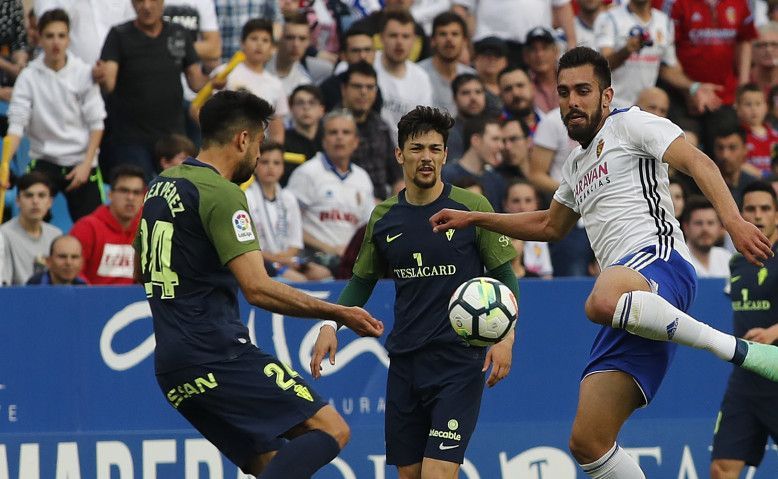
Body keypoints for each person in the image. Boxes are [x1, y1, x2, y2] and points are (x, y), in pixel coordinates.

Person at [430, 47, 778, 479]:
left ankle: (735, 349)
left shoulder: (632, 124)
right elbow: (548, 225)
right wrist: (477, 218)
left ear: (607, 95)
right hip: (633, 303)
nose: (572, 101)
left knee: (599, 299)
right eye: (563, 93)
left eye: (583, 90)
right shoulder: (576, 164)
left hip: (658, 260)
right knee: (588, 442)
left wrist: (734, 221)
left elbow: (696, 160)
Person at [135, 90, 383, 478]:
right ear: (243, 139)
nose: (258, 155)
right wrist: (337, 311)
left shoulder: (161, 185)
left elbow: (142, 268)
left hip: (172, 366)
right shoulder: (221, 193)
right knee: (331, 429)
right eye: (261, 142)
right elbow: (258, 288)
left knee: (270, 464)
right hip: (216, 353)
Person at [311, 106, 518, 479]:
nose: (427, 158)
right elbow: (361, 281)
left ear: (445, 155)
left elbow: (504, 273)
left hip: (458, 363)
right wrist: (331, 325)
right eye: (418, 148)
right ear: (399, 154)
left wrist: (506, 336)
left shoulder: (471, 208)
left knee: (438, 474)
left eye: (435, 149)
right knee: (410, 475)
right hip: (405, 362)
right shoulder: (384, 217)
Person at [6, 8, 106, 222]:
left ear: (69, 39)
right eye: (49, 36)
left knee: (93, 227)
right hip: (44, 160)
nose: (56, 42)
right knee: (29, 219)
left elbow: (97, 124)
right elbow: (16, 125)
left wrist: (86, 164)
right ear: (40, 39)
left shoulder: (83, 73)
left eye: (61, 36)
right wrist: (4, 163)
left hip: (81, 161)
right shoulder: (28, 76)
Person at [95, 0, 209, 181]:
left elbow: (196, 82)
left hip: (173, 136)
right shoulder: (119, 35)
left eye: (152, 0)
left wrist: (214, 80)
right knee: (136, 195)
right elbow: (109, 84)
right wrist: (100, 77)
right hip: (131, 138)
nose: (146, 6)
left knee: (179, 192)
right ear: (132, 3)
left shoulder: (178, 33)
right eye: (140, 1)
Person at [710, 181, 778, 479]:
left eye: (766, 208)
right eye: (751, 208)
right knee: (722, 468)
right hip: (746, 380)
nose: (758, 215)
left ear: (777, 214)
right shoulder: (737, 262)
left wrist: (773, 333)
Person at [286, 109, 375, 275]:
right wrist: (330, 249)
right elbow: (288, 223)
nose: (339, 137)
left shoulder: (362, 178)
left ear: (355, 141)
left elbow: (367, 227)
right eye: (333, 132)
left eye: (346, 132)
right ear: (324, 140)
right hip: (313, 259)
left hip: (351, 262)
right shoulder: (307, 173)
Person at [244, 141, 331, 281]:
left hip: (288, 259)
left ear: (283, 167)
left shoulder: (288, 198)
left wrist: (285, 258)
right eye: (265, 162)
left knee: (322, 273)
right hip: (262, 261)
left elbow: (295, 242)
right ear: (255, 166)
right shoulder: (247, 198)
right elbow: (247, 246)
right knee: (298, 279)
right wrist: (277, 259)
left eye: (276, 163)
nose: (271, 167)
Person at [208, 18, 287, 145]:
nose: (259, 44)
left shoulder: (276, 85)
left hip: (257, 150)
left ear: (272, 48)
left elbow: (277, 133)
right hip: (224, 142)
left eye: (265, 40)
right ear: (242, 43)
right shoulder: (224, 72)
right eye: (254, 38)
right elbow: (205, 110)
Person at [70, 165, 145, 285]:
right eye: (124, 190)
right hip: (92, 299)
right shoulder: (87, 228)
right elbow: (74, 274)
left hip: (134, 302)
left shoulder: (146, 230)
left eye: (136, 192)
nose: (130, 197)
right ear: (110, 194)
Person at [0, 172, 62, 285]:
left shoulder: (56, 235)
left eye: (41, 195)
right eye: (29, 195)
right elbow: (4, 285)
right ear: (17, 201)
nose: (35, 201)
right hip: (17, 299)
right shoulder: (3, 235)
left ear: (50, 202)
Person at [681, 196, 732, 278]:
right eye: (698, 223)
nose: (705, 229)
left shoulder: (726, 258)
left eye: (710, 223)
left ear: (719, 227)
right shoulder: (677, 260)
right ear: (686, 227)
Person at [735, 83, 778, 177]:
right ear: (737, 108)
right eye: (748, 104)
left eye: (758, 104)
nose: (754, 109)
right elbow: (737, 164)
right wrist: (763, 175)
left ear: (766, 107)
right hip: (748, 184)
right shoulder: (737, 136)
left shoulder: (775, 136)